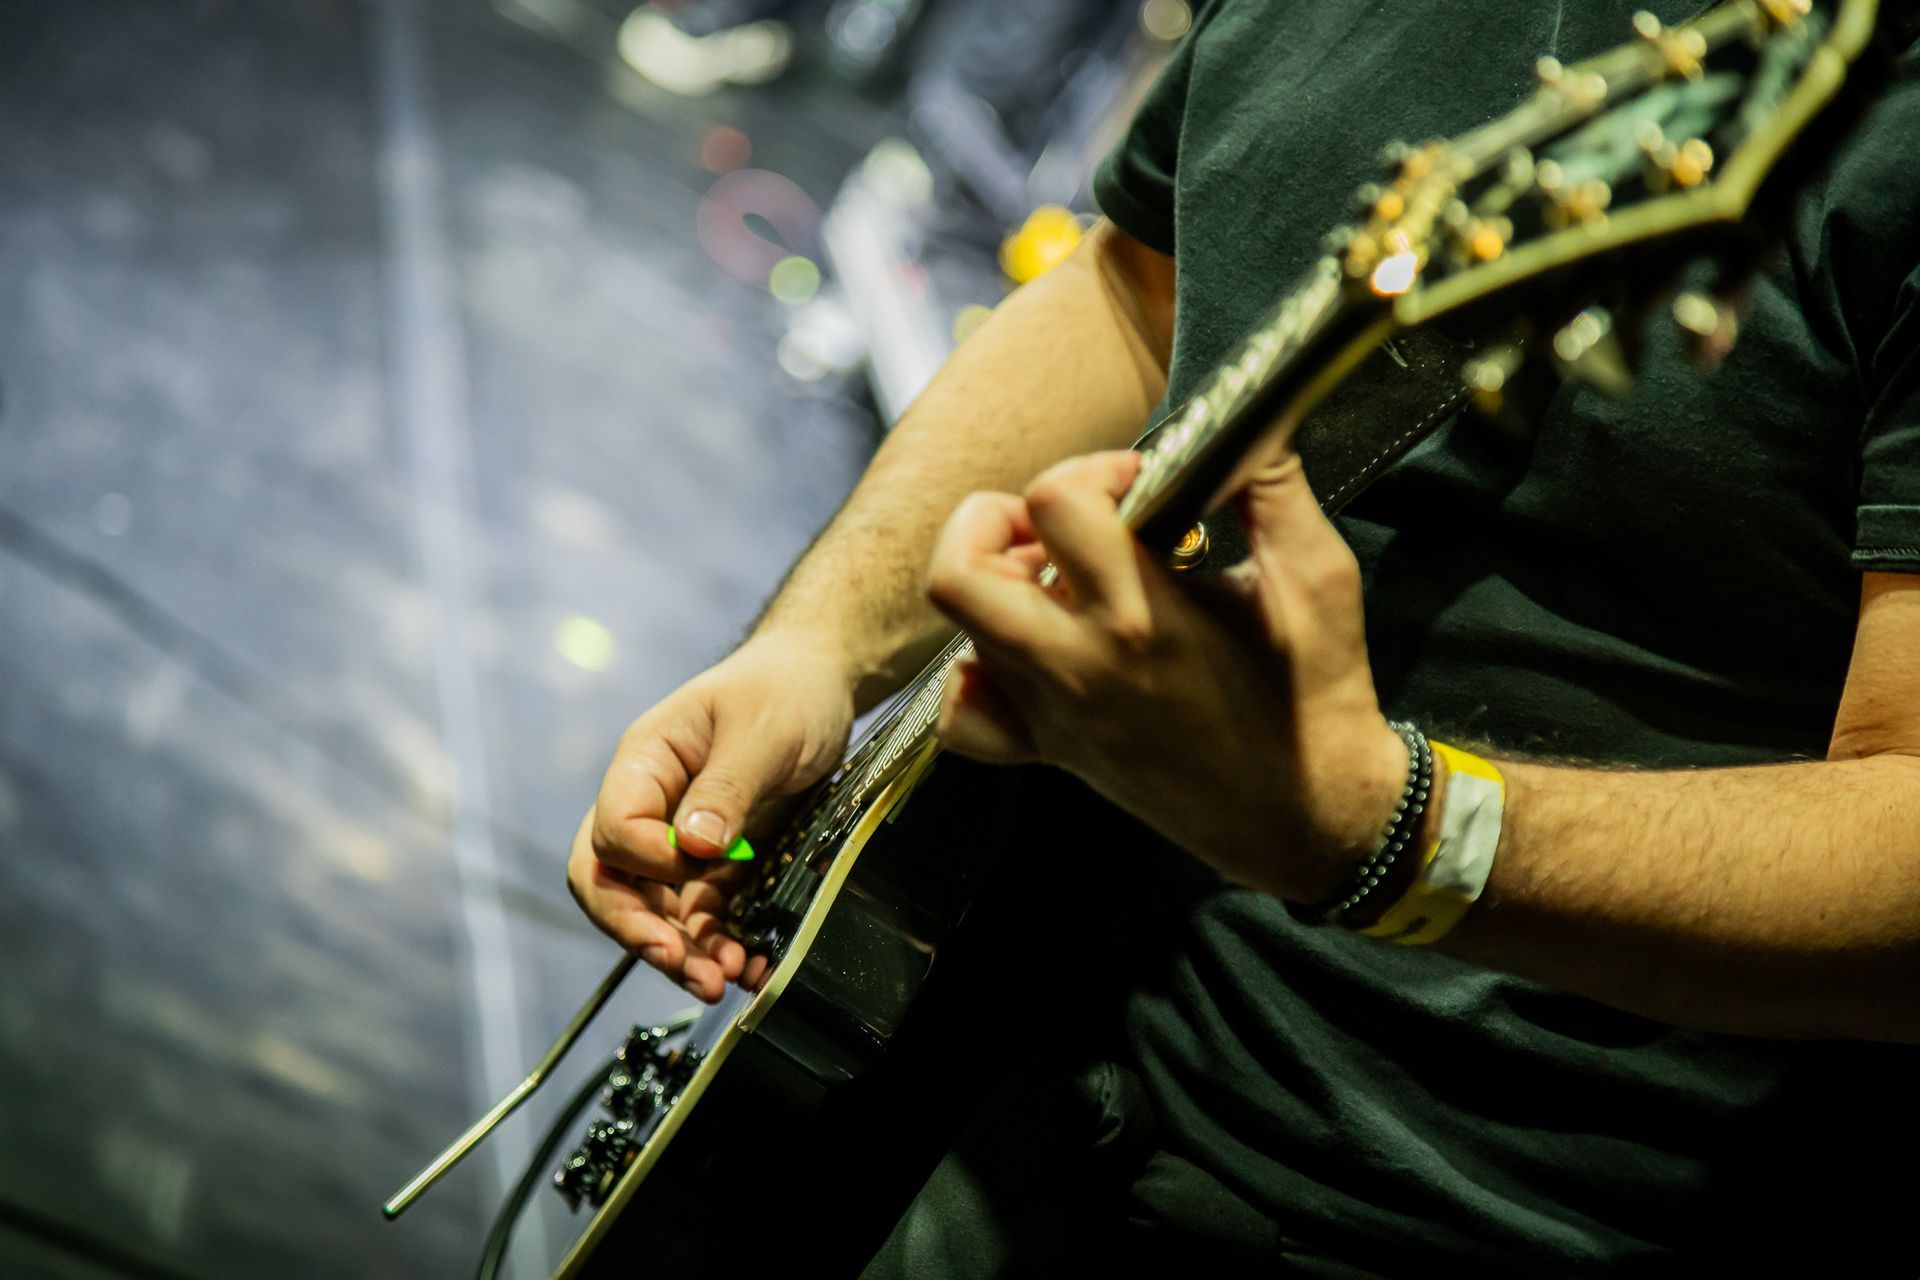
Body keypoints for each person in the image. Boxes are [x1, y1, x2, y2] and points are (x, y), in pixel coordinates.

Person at [567, 0, 1920, 1270]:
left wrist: (1383, 830)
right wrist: (814, 649)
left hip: (1450, 1204)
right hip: (973, 1048)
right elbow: (1137, 296)